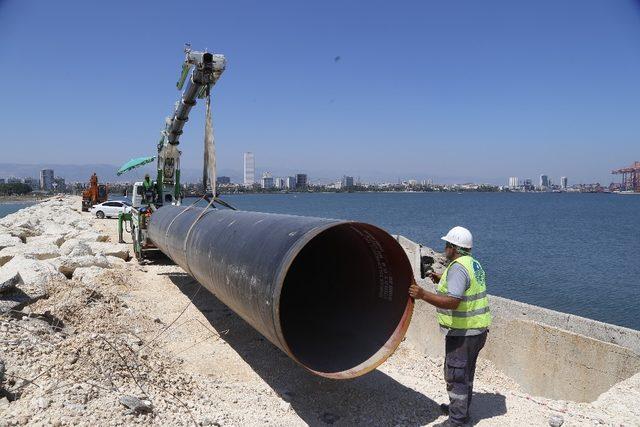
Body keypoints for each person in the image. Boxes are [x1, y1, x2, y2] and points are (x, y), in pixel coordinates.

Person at [409, 226, 491, 426]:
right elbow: (462, 289)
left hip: (463, 332)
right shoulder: (473, 264)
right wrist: (440, 280)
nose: (444, 248)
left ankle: (457, 420)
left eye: (447, 245)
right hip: (477, 330)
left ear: (453, 247)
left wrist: (423, 294)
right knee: (466, 373)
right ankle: (460, 410)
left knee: (455, 375)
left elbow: (453, 302)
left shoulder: (457, 268)